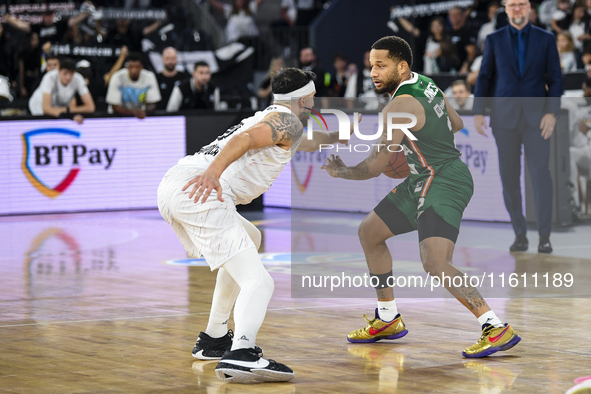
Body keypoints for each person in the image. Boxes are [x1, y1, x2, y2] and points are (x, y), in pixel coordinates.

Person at [322, 36, 521, 358]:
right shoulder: (425, 82)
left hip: (442, 179)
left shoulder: (397, 107)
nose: (373, 72)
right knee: (370, 232)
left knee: (435, 261)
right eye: (371, 65)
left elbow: (374, 167)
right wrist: (419, 145)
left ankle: (494, 326)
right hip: (426, 175)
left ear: (401, 66)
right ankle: (388, 318)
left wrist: (342, 171)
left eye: (381, 66)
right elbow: (455, 123)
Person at [157, 67, 351, 382]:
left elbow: (308, 141)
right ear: (301, 99)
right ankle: (242, 353)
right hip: (200, 188)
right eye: (312, 98)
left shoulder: (278, 120)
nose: (314, 105)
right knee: (260, 282)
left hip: (176, 184)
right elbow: (246, 140)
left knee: (251, 236)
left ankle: (214, 339)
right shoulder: (285, 121)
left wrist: (339, 136)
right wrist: (214, 174)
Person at [473, 0, 563, 253]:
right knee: (509, 179)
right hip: (504, 119)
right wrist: (478, 112)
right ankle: (520, 234)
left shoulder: (546, 39)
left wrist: (552, 113)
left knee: (541, 176)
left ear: (529, 7)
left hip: (537, 119)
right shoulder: (493, 39)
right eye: (512, 5)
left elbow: (555, 78)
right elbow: (485, 77)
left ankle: (544, 236)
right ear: (505, 8)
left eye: (522, 4)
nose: (517, 9)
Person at [28, 57, 95, 124]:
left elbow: (90, 107)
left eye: (71, 74)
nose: (68, 77)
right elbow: (46, 108)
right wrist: (69, 115)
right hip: (38, 106)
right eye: (65, 73)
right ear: (59, 71)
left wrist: (68, 111)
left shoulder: (78, 78)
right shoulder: (49, 77)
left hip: (59, 107)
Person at [106, 52, 161, 119]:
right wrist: (133, 112)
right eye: (131, 67)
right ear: (127, 67)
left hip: (141, 116)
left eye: (137, 67)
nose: (134, 70)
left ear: (142, 67)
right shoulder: (117, 77)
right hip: (118, 117)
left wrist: (144, 111)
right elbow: (114, 106)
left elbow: (152, 103)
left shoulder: (149, 77)